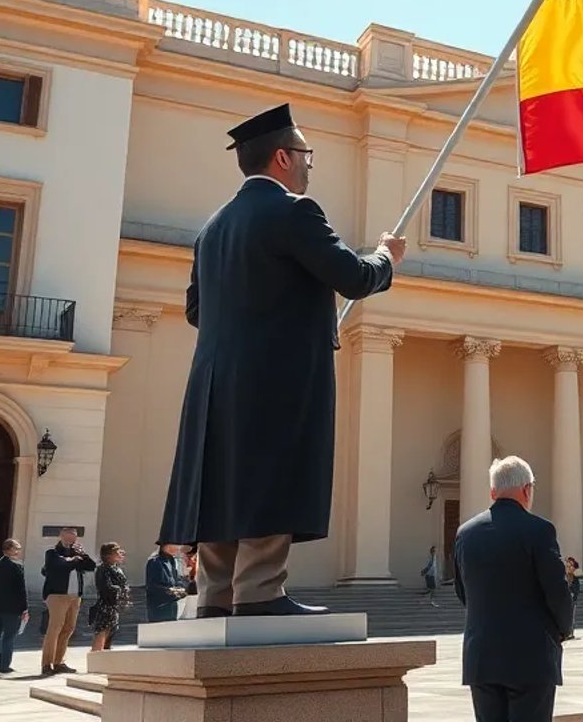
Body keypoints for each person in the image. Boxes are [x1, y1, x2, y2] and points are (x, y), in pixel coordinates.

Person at [158, 103, 404, 618]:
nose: (310, 164)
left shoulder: (212, 228)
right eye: (306, 154)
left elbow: (197, 310)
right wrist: (386, 256)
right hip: (278, 376)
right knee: (272, 468)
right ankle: (260, 591)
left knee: (221, 478)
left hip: (213, 378)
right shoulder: (295, 211)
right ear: (282, 158)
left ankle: (215, 596)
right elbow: (355, 277)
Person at [454, 456, 574, 722]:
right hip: (531, 658)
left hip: (481, 658)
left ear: (492, 492)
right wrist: (564, 629)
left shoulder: (465, 533)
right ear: (527, 490)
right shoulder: (539, 530)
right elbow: (557, 592)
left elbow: (462, 591)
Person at [40, 527, 96, 676]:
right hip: (58, 595)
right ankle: (47, 663)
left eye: (74, 537)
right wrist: (74, 560)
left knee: (68, 628)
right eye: (69, 536)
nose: (71, 539)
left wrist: (82, 555)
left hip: (75, 596)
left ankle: (59, 662)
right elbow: (60, 566)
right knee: (54, 629)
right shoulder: (52, 553)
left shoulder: (76, 553)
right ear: (61, 536)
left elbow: (91, 566)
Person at [0, 539, 29, 677]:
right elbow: (21, 590)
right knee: (8, 637)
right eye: (16, 548)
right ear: (9, 549)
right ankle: (4, 666)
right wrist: (24, 608)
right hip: (11, 609)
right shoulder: (17, 567)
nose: (18, 551)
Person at [89, 543, 131, 652]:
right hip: (106, 604)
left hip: (114, 605)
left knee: (111, 630)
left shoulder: (116, 568)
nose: (120, 554)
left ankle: (105, 653)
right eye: (117, 552)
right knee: (102, 629)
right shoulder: (103, 569)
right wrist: (120, 590)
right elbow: (105, 587)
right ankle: (96, 654)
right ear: (108, 555)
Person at [144, 544, 188, 623]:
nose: (178, 548)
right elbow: (153, 587)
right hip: (159, 608)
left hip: (172, 606)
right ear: (166, 546)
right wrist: (173, 591)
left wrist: (182, 588)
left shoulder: (172, 561)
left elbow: (176, 580)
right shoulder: (154, 562)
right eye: (175, 545)